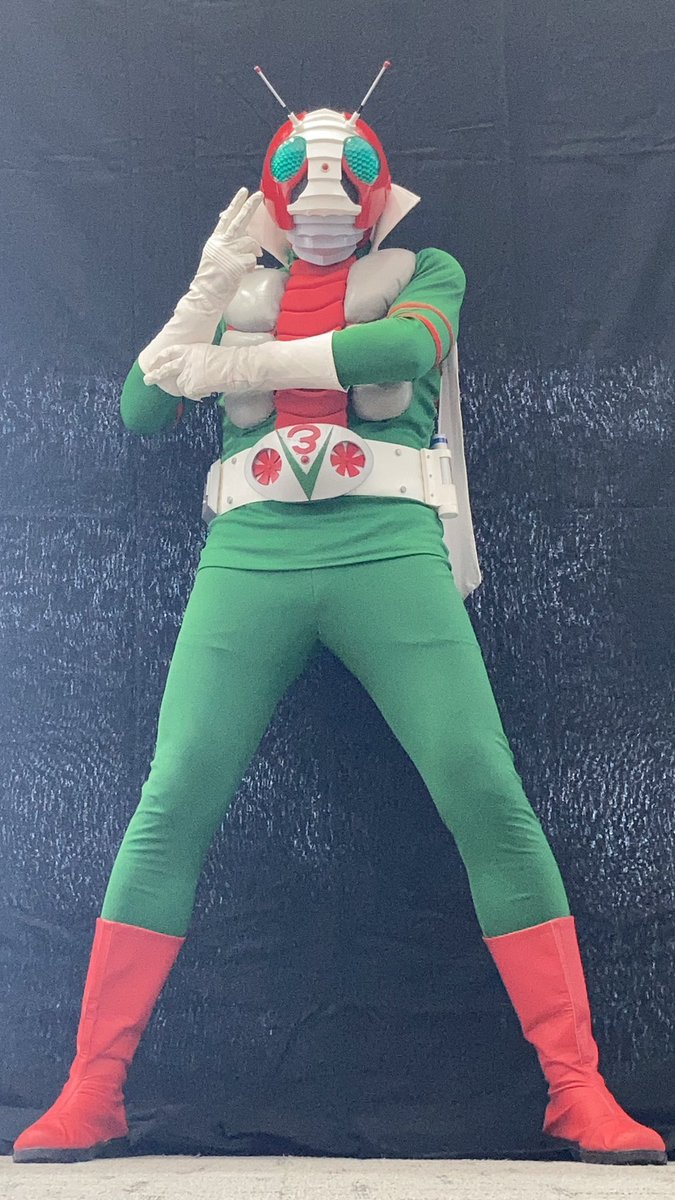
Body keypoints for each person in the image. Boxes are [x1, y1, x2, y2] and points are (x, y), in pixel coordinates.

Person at [13, 70, 666, 1167]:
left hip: (387, 544)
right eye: (303, 176)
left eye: (347, 174)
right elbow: (140, 407)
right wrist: (207, 291)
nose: (325, 194)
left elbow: (402, 354)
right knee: (173, 796)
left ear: (376, 189)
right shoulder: (232, 286)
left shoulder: (426, 270)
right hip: (253, 550)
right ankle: (94, 1088)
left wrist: (230, 360)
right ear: (272, 189)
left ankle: (575, 1086)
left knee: (483, 787)